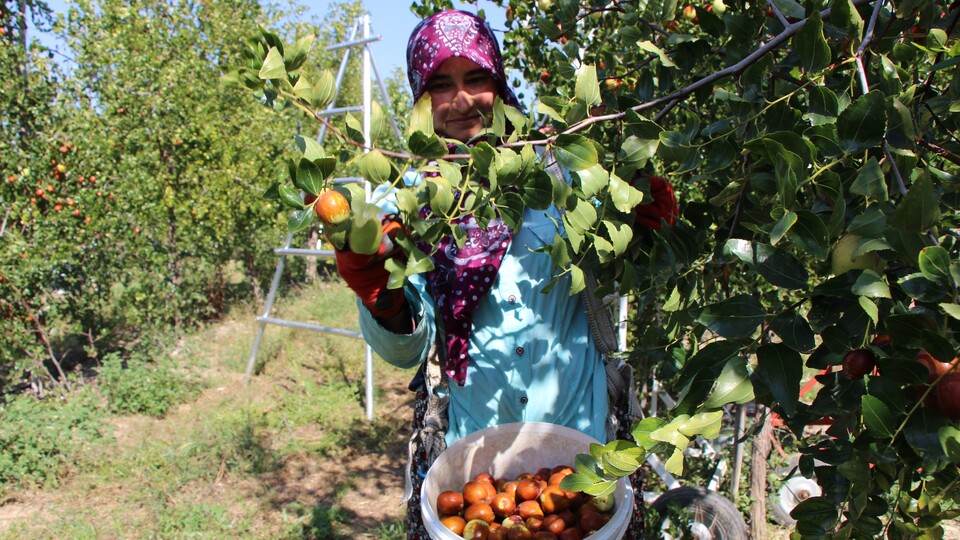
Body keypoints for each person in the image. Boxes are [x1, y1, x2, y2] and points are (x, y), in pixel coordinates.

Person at [333, 9, 678, 538]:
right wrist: (382, 294)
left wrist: (644, 227)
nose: (463, 100)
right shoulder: (410, 205)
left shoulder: (557, 173)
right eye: (441, 86)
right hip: (478, 456)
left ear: (498, 82)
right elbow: (407, 347)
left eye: (476, 79)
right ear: (423, 100)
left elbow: (625, 269)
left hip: (580, 448)